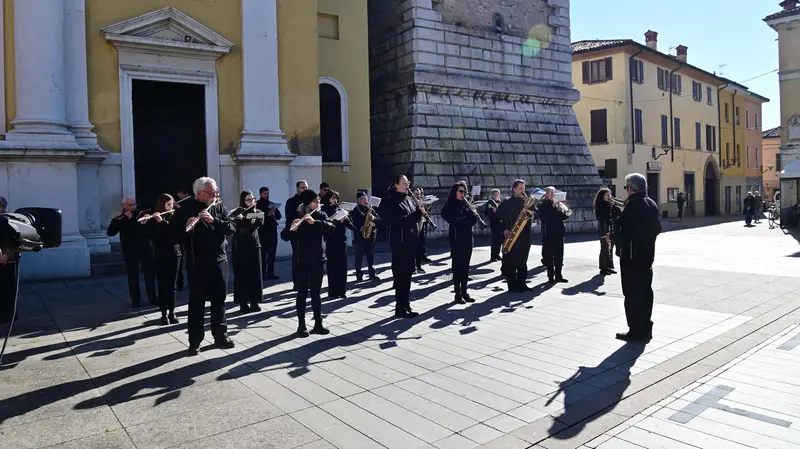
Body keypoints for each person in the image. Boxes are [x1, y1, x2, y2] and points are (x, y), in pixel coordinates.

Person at [172, 177, 236, 356]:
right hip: (197, 262)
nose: (216, 194)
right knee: (197, 303)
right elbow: (174, 237)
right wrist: (187, 229)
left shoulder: (219, 207)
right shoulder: (185, 209)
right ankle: (195, 341)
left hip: (220, 260)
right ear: (200, 193)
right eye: (212, 192)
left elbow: (231, 228)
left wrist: (214, 221)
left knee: (219, 300)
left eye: (216, 191)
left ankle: (220, 335)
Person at [614, 173, 661, 343]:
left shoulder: (633, 205)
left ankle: (635, 330)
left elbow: (626, 232)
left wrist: (614, 236)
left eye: (626, 187)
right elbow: (657, 228)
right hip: (647, 256)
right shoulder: (652, 203)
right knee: (646, 292)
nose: (626, 191)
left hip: (632, 258)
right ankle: (646, 328)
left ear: (631, 188)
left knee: (632, 294)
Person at [286, 189, 335, 337]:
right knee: (302, 293)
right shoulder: (298, 215)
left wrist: (316, 222)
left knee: (316, 293)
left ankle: (318, 323)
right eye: (315, 201)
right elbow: (284, 236)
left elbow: (331, 227)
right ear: (307, 204)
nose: (318, 203)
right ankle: (301, 325)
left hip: (318, 260)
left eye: (318, 200)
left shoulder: (321, 215)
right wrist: (292, 228)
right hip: (302, 261)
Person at [107, 196, 158, 307]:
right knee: (133, 276)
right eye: (130, 205)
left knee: (149, 274)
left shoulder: (141, 215)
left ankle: (153, 298)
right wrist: (114, 220)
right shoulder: (120, 218)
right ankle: (135, 301)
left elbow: (149, 232)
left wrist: (144, 222)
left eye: (134, 204)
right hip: (130, 249)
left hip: (144, 248)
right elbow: (110, 233)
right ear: (124, 206)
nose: (133, 206)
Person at [386, 175, 424, 318]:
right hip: (400, 243)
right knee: (401, 277)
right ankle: (399, 308)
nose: (407, 184)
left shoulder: (409, 198)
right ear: (396, 185)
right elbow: (400, 221)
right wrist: (417, 214)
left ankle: (406, 304)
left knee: (408, 276)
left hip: (410, 242)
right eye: (403, 182)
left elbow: (413, 219)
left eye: (407, 182)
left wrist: (420, 214)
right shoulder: (392, 200)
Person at [139, 193, 181, 325]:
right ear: (161, 204)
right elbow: (147, 236)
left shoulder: (176, 216)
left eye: (172, 204)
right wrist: (144, 223)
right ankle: (163, 314)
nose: (171, 206)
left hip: (175, 253)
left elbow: (174, 234)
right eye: (168, 204)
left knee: (172, 286)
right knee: (162, 285)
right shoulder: (154, 217)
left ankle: (172, 312)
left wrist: (162, 222)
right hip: (159, 254)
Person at [441, 181, 478, 304]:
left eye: (464, 192)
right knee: (458, 267)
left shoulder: (466, 204)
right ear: (455, 192)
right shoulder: (450, 205)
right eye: (461, 191)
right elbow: (447, 216)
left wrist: (474, 215)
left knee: (466, 267)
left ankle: (465, 292)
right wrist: (461, 219)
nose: (463, 194)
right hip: (457, 238)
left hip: (468, 237)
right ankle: (457, 294)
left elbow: (472, 221)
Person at [496, 179, 534, 293]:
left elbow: (534, 214)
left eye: (524, 188)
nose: (523, 190)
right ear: (514, 189)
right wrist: (504, 229)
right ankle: (512, 286)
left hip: (525, 235)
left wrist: (532, 209)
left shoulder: (526, 201)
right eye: (520, 188)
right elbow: (497, 218)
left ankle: (522, 284)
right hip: (512, 235)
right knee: (512, 262)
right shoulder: (507, 203)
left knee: (523, 261)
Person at [231, 190, 265, 313]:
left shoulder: (258, 211)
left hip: (254, 245)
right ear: (242, 201)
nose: (251, 202)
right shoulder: (237, 212)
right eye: (248, 200)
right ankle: (243, 302)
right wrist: (240, 219)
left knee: (255, 274)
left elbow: (259, 223)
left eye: (252, 199)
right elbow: (236, 227)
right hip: (240, 247)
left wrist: (249, 217)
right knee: (242, 275)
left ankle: (255, 301)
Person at [321, 189, 357, 299]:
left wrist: (348, 218)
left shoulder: (339, 208)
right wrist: (337, 221)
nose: (334, 200)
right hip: (332, 241)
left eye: (336, 198)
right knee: (333, 267)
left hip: (342, 240)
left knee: (342, 267)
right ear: (328, 198)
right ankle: (333, 291)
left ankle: (342, 291)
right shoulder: (325, 209)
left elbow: (348, 223)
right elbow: (327, 225)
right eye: (332, 197)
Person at [538, 186, 569, 284]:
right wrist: (553, 206)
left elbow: (565, 216)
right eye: (550, 193)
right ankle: (550, 276)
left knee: (559, 255)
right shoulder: (542, 204)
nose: (552, 194)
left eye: (553, 193)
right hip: (549, 233)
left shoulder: (558, 204)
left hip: (559, 232)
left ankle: (559, 276)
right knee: (549, 256)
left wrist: (560, 206)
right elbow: (544, 217)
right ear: (546, 194)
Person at [350, 192, 381, 281]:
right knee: (359, 257)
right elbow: (351, 224)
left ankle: (372, 274)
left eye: (366, 198)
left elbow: (379, 219)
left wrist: (373, 218)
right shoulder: (355, 211)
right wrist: (359, 228)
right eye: (364, 198)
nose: (366, 200)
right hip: (360, 237)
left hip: (371, 236)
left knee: (370, 256)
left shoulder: (370, 209)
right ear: (358, 200)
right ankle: (359, 275)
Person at [285, 180, 309, 291]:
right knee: (297, 257)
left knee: (307, 258)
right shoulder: (291, 201)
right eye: (303, 187)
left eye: (306, 187)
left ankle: (306, 280)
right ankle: (296, 282)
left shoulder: (309, 201)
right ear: (297, 189)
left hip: (308, 233)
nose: (305, 189)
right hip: (296, 233)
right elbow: (289, 217)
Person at [0, 196, 20, 324]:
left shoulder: (6, 221)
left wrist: (6, 253)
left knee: (6, 289)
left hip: (6, 262)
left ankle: (8, 315)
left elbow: (14, 241)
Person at [256, 186, 281, 280]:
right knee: (263, 253)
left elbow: (279, 217)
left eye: (268, 193)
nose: (267, 195)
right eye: (264, 194)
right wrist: (267, 215)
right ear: (260, 194)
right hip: (263, 231)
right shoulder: (257, 204)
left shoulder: (271, 204)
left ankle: (271, 272)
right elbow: (257, 217)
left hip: (272, 230)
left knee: (272, 252)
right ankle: (263, 273)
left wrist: (274, 212)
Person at [594, 188, 618, 276]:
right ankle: (603, 268)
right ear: (602, 196)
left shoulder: (608, 204)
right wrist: (606, 232)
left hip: (609, 228)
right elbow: (604, 218)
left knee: (609, 248)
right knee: (604, 248)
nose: (609, 196)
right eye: (607, 195)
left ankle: (608, 266)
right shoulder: (602, 205)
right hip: (604, 229)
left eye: (610, 194)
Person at [484, 189, 503, 262]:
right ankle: (493, 256)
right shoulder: (490, 202)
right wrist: (492, 211)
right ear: (492, 195)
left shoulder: (500, 202)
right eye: (495, 194)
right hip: (494, 223)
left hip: (501, 223)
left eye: (498, 194)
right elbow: (486, 212)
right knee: (495, 240)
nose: (497, 196)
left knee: (500, 240)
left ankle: (497, 254)